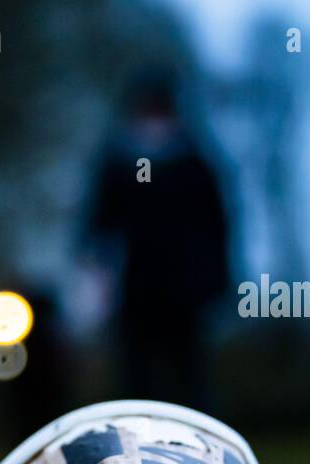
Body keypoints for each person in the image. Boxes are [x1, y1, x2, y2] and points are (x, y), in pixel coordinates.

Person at [81, 68, 231, 409]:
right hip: (136, 285)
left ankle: (198, 442)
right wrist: (95, 270)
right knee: (136, 373)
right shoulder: (119, 163)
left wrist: (216, 280)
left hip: (184, 287)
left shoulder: (195, 162)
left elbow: (217, 225)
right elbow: (99, 222)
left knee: (189, 373)